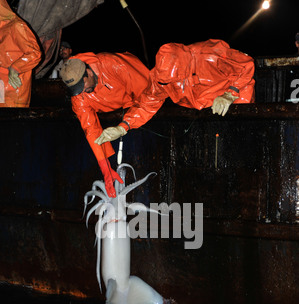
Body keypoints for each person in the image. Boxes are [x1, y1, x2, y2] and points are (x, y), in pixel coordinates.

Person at [94, 39, 255, 146]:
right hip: (205, 108)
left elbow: (245, 65)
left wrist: (230, 94)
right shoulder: (161, 78)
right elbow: (146, 104)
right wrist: (123, 127)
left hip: (235, 100)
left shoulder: (209, 54)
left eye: (174, 80)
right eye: (167, 82)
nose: (171, 85)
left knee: (240, 141)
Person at [60, 51, 150, 197]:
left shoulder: (113, 65)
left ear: (88, 72)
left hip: (141, 101)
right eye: (76, 90)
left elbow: (150, 95)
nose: (82, 92)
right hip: (117, 111)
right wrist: (105, 169)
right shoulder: (79, 96)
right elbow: (91, 131)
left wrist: (126, 124)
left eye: (82, 86)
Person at [0, 0, 41, 107]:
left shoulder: (17, 26)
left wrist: (15, 68)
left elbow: (34, 53)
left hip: (14, 87)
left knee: (13, 120)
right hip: (1, 85)